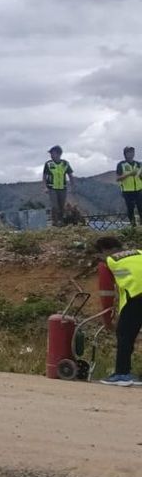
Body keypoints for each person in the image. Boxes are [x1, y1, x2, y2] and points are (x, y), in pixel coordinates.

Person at [95, 236, 142, 386]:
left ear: (103, 251)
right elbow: (129, 275)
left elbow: (106, 294)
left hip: (136, 297)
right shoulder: (139, 253)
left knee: (124, 335)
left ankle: (122, 374)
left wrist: (107, 319)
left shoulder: (108, 262)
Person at [42, 145, 74, 227]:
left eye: (53, 153)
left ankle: (61, 221)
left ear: (58, 154)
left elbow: (70, 175)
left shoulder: (65, 163)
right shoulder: (49, 164)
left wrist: (72, 185)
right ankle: (55, 222)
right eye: (51, 154)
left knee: (61, 206)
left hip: (62, 188)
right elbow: (44, 176)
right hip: (52, 188)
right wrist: (45, 187)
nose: (51, 155)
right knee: (54, 206)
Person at [117, 146, 142, 227]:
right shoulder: (121, 164)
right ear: (125, 154)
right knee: (130, 209)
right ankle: (133, 226)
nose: (131, 154)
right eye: (129, 152)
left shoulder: (138, 164)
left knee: (141, 208)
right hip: (128, 190)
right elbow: (118, 178)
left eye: (132, 152)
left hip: (139, 189)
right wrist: (129, 174)